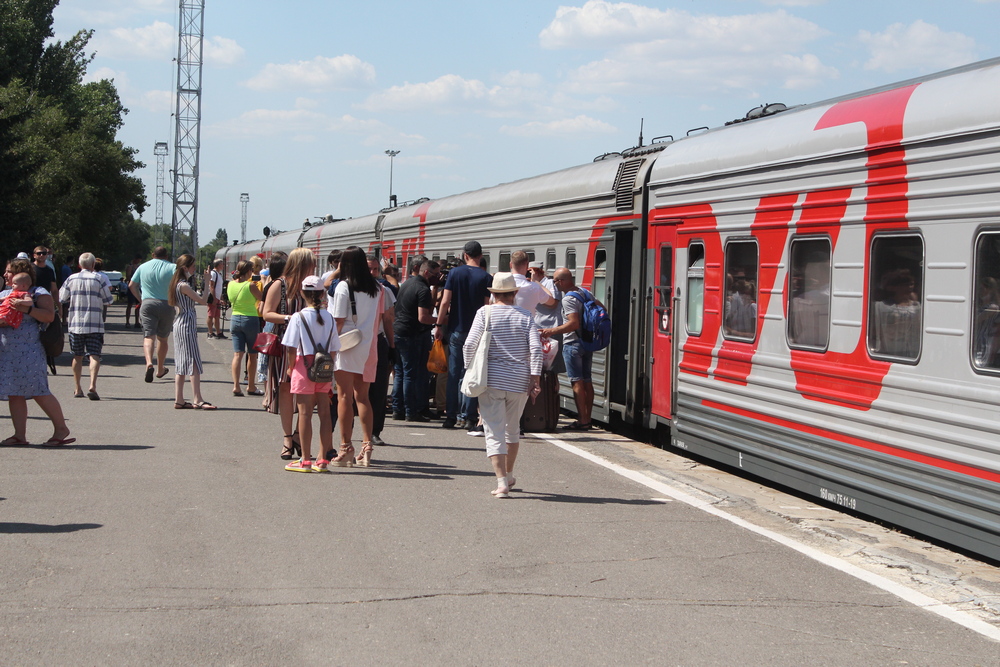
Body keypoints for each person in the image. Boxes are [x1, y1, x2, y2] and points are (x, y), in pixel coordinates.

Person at [463, 273, 542, 498]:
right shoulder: (526, 316)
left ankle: (502, 484)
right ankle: (508, 474)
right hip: (519, 381)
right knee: (512, 429)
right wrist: (535, 378)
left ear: (493, 293)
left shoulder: (484, 313)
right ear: (515, 293)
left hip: (490, 380)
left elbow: (469, 345)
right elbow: (535, 349)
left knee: (494, 431)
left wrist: (469, 369)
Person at [328, 246, 392, 467]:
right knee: (363, 397)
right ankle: (367, 446)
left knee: (344, 396)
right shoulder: (377, 288)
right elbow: (381, 318)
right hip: (369, 346)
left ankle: (346, 447)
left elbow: (338, 320)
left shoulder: (344, 287)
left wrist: (328, 347)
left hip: (346, 345)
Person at [0, 258, 74, 446]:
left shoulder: (37, 293)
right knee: (14, 392)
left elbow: (49, 316)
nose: (5, 275)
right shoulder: (6, 293)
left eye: (9, 271)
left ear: (20, 273)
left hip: (29, 350)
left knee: (38, 390)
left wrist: (28, 308)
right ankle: (19, 435)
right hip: (8, 350)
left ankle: (61, 428)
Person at [281, 275, 340, 472]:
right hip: (324, 366)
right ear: (323, 294)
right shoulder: (329, 317)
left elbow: (290, 347)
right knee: (325, 413)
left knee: (304, 413)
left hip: (303, 364)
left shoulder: (298, 317)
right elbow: (334, 348)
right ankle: (323, 459)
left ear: (302, 293)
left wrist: (291, 367)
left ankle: (305, 460)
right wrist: (328, 368)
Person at [435, 240, 491, 429]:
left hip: (456, 330)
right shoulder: (485, 277)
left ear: (465, 255)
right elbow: (486, 306)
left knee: (453, 373)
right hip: (477, 331)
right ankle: (468, 417)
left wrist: (438, 325)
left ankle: (451, 416)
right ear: (480, 256)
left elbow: (445, 301)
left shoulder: (454, 273)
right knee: (472, 372)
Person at [262, 249, 309, 460]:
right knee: (286, 388)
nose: (314, 270)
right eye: (311, 265)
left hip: (307, 343)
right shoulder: (279, 285)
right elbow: (266, 313)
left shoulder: (310, 286)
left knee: (306, 391)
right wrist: (291, 318)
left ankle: (299, 433)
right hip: (285, 341)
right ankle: (288, 437)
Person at [540, 268, 597, 431]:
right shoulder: (585, 293)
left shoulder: (568, 299)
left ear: (562, 281)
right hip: (587, 342)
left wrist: (552, 331)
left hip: (573, 343)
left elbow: (573, 323)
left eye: (556, 281)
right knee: (587, 380)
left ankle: (583, 420)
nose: (555, 285)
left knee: (576, 381)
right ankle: (588, 417)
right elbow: (602, 309)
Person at [59, 253, 114, 400]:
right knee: (94, 355)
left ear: (79, 265)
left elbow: (61, 297)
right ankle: (92, 385)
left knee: (77, 356)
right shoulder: (99, 278)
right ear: (93, 264)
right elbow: (109, 300)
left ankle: (77, 388)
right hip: (95, 323)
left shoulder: (71, 278)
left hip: (76, 324)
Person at [393, 256, 438, 422]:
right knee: (410, 374)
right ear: (426, 272)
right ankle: (411, 411)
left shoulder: (406, 284)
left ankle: (398, 409)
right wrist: (440, 321)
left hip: (398, 330)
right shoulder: (422, 289)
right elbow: (423, 317)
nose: (437, 276)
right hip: (411, 333)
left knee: (400, 372)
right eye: (435, 273)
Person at [168, 254, 216, 410]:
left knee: (181, 362)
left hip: (179, 322)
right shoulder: (184, 286)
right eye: (193, 267)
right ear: (185, 268)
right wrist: (208, 282)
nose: (195, 270)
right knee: (193, 360)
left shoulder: (175, 284)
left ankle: (179, 399)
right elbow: (203, 300)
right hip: (187, 322)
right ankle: (197, 398)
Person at [128, 247, 177, 382]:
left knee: (149, 336)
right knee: (163, 338)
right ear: (166, 256)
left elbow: (132, 285)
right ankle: (160, 368)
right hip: (167, 304)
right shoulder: (173, 267)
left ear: (152, 255)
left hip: (148, 302)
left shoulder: (143, 267)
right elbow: (179, 285)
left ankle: (149, 363)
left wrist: (141, 298)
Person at [367, 254, 396, 445]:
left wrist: (392, 346)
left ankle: (375, 430)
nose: (373, 273)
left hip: (377, 341)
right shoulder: (346, 289)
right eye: (369, 269)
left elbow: (388, 320)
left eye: (376, 269)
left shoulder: (383, 291)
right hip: (356, 343)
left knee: (378, 390)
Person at [226, 259, 263, 396]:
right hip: (250, 319)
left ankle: (236, 386)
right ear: (248, 271)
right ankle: (251, 386)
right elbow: (262, 298)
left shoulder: (230, 284)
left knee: (237, 354)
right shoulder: (251, 286)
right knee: (252, 355)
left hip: (235, 319)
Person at [511, 251, 557, 315]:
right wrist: (536, 282)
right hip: (526, 324)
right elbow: (552, 301)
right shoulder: (534, 287)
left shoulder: (501, 285)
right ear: (527, 265)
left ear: (510, 264)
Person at [206, 259, 226, 339]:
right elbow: (212, 286)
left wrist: (220, 298)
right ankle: (210, 332)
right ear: (218, 265)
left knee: (217, 316)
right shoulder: (213, 274)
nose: (223, 266)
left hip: (217, 297)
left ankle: (218, 332)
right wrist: (214, 298)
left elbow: (219, 288)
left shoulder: (219, 274)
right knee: (211, 315)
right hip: (213, 297)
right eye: (222, 264)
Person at [124, 254, 142, 328]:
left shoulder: (139, 267)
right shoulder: (130, 267)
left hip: (138, 287)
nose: (138, 261)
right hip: (131, 287)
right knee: (130, 304)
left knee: (138, 305)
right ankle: (127, 322)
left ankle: (137, 321)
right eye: (138, 260)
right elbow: (128, 277)